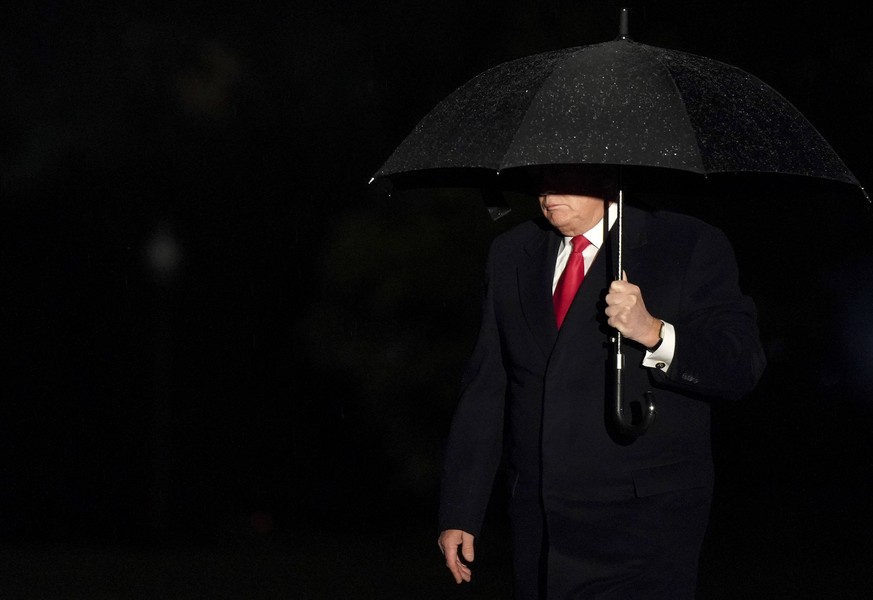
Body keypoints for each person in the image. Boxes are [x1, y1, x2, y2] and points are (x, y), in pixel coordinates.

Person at [436, 167, 766, 599]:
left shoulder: (687, 243)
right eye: (538, 178)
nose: (547, 190)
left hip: (643, 523)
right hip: (540, 520)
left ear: (607, 176)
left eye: (562, 175)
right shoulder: (512, 251)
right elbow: (488, 385)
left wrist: (654, 332)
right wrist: (461, 508)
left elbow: (741, 366)